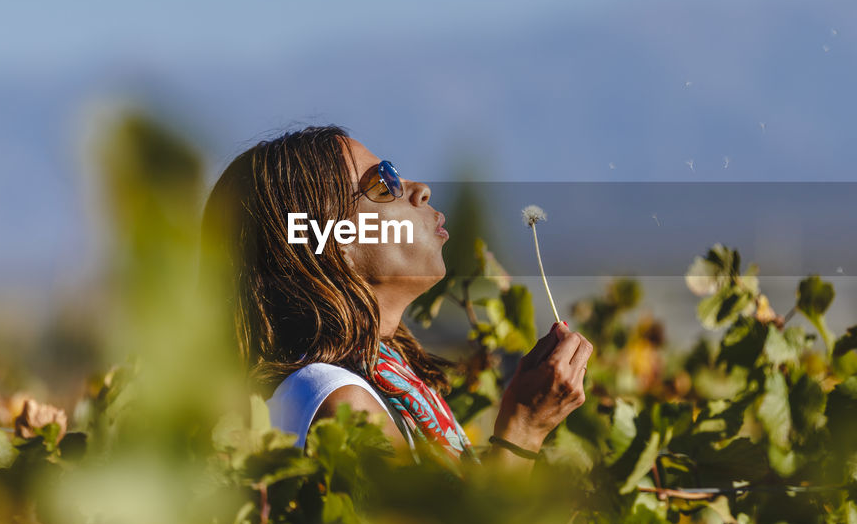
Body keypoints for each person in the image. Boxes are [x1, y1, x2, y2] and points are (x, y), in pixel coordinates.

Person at [197, 124, 592, 476]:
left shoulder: (385, 382)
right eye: (383, 184)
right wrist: (522, 431)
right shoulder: (341, 403)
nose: (420, 191)